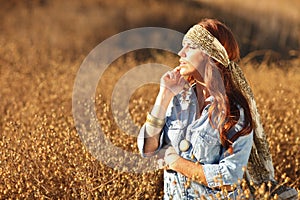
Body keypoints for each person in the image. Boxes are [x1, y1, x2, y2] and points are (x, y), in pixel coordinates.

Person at [137, 19, 298, 199]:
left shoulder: (234, 113)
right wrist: (164, 94)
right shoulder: (177, 101)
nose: (180, 53)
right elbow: (148, 149)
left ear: (210, 55)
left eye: (190, 47)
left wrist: (173, 161)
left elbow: (229, 177)